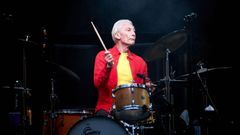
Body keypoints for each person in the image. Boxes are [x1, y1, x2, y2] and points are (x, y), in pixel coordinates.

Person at [93, 19, 154, 117]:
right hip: (108, 108)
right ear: (117, 35)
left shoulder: (140, 62)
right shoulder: (103, 56)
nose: (133, 33)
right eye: (129, 30)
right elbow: (97, 84)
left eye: (134, 31)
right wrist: (108, 67)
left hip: (134, 109)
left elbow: (144, 90)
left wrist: (149, 86)